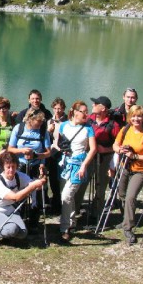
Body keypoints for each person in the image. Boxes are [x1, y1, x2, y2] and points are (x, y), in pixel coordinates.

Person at [112, 105, 143, 244]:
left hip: (140, 170)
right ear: (130, 117)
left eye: (139, 116)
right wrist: (120, 150)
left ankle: (128, 228)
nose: (136, 119)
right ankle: (126, 219)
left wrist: (135, 156)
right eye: (134, 116)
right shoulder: (125, 130)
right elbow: (115, 144)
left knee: (131, 197)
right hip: (124, 167)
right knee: (122, 194)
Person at [0, 152, 46, 247]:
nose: (11, 170)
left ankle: (3, 232)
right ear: (2, 167)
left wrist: (41, 181)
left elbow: (34, 185)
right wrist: (31, 187)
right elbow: (15, 197)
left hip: (11, 210)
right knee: (12, 229)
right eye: (8, 167)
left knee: (23, 233)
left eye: (13, 167)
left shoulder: (20, 176)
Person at [75, 96, 120, 222]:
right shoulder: (89, 120)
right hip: (88, 156)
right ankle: (75, 210)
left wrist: (105, 149)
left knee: (100, 187)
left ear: (103, 108)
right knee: (81, 182)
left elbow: (119, 144)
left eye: (96, 103)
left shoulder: (113, 125)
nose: (93, 105)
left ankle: (96, 213)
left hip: (105, 158)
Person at [58, 101, 97, 243]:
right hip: (65, 164)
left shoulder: (88, 128)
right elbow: (58, 143)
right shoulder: (63, 125)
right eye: (83, 111)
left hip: (79, 165)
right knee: (69, 196)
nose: (86, 114)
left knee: (66, 196)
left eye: (87, 112)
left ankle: (64, 228)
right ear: (75, 112)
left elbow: (93, 149)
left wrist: (84, 165)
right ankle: (72, 222)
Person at [8, 107, 51, 229]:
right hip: (21, 165)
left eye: (42, 122)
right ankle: (18, 220)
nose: (40, 124)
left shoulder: (43, 131)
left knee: (37, 194)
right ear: (30, 120)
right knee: (19, 192)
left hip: (36, 166)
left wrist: (37, 155)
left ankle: (33, 223)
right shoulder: (19, 128)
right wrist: (22, 150)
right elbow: (10, 149)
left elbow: (48, 152)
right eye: (38, 122)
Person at [46, 97, 67, 214]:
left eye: (60, 108)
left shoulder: (68, 121)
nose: (57, 111)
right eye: (55, 108)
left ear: (63, 108)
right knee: (53, 179)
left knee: (63, 179)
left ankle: (64, 204)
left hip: (64, 153)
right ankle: (56, 202)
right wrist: (48, 131)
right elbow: (46, 139)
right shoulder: (49, 122)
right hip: (53, 153)